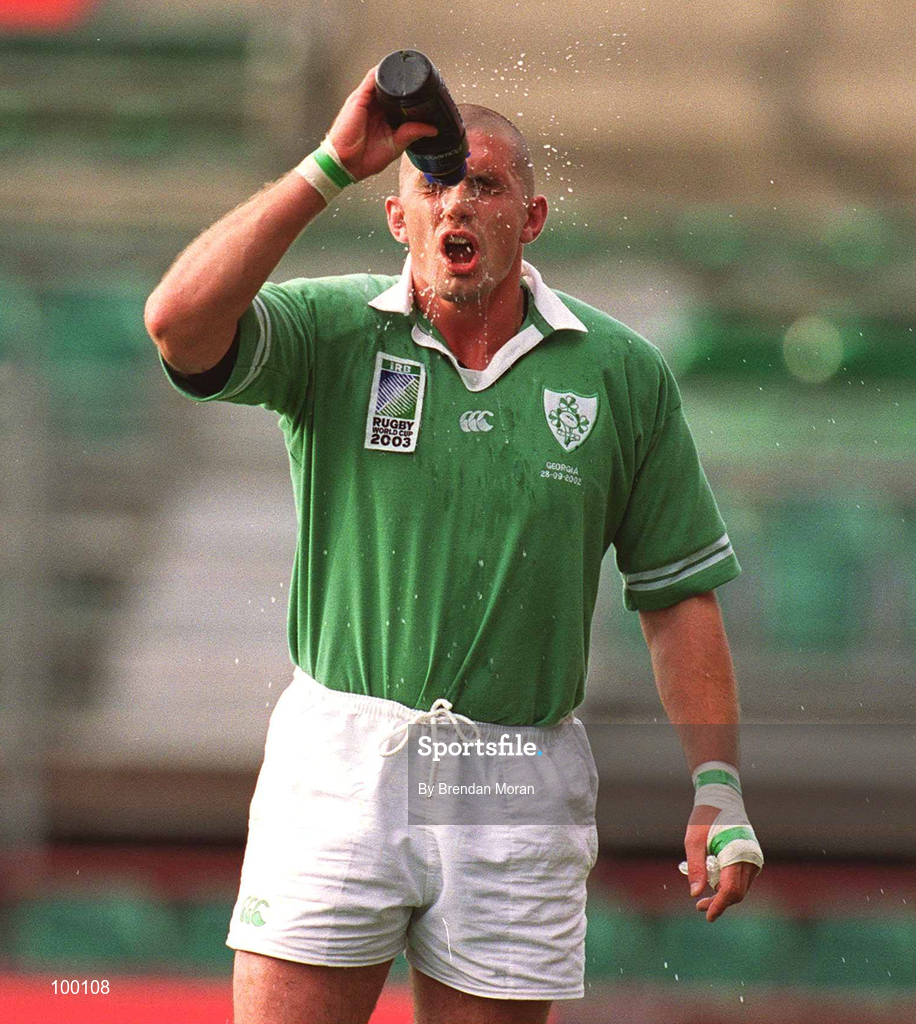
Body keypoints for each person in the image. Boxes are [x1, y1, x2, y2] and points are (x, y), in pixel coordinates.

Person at [145, 65, 764, 1024]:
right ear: (398, 218)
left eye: (485, 184)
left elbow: (678, 597)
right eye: (432, 183)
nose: (456, 203)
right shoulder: (335, 330)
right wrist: (326, 166)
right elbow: (178, 326)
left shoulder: (622, 374)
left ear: (534, 214)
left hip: (516, 772)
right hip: (344, 754)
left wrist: (718, 789)